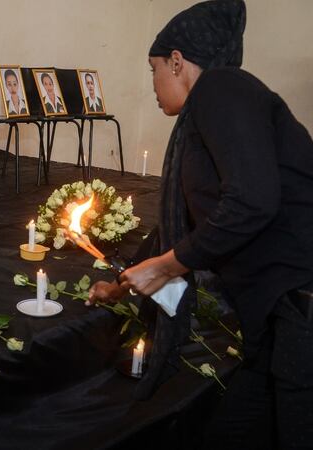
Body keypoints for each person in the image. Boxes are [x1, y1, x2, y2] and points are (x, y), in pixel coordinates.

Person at [87, 1, 313, 448]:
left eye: (153, 69)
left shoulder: (222, 87)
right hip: (274, 315)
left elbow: (253, 200)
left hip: (302, 308)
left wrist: (167, 266)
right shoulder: (203, 121)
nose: (151, 84)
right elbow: (181, 227)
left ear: (177, 61)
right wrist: (124, 282)